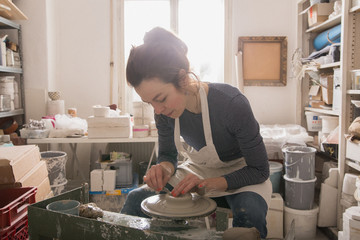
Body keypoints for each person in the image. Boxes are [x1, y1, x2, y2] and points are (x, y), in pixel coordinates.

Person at [120, 27, 272, 238]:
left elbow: (260, 170)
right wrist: (163, 169)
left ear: (182, 79)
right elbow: (168, 156)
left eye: (161, 98)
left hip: (243, 172)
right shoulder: (163, 112)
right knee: (137, 198)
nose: (157, 110)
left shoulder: (231, 104)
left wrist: (208, 185)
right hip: (199, 171)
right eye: (149, 103)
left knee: (249, 214)